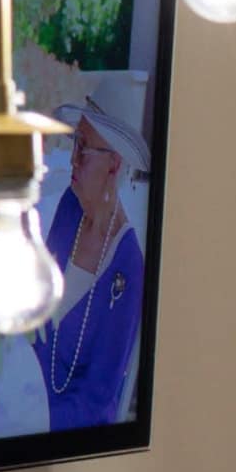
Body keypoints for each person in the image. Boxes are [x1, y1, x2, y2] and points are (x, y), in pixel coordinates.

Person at [37, 97, 150, 432]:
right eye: (75, 143)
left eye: (84, 149)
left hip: (64, 425)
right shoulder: (70, 205)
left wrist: (30, 422)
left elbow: (96, 402)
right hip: (25, 386)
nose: (73, 158)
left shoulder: (128, 268)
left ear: (114, 166)